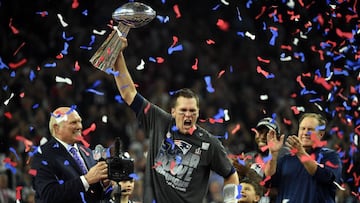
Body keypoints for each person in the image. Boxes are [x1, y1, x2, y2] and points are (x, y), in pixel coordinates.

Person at [112, 37, 239, 203]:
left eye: (192, 111)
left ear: (198, 113)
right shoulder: (159, 121)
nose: (188, 115)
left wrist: (230, 201)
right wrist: (118, 55)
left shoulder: (210, 143)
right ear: (173, 111)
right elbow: (128, 93)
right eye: (183, 111)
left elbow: (230, 175)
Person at [30, 106, 111, 203]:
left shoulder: (87, 152)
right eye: (73, 123)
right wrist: (86, 180)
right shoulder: (43, 155)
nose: (79, 126)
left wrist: (105, 185)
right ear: (57, 128)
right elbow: (49, 194)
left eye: (79, 121)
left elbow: (94, 194)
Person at [264, 112, 343, 203]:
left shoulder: (330, 156)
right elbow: (268, 182)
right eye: (302, 128)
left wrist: (301, 153)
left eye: (310, 129)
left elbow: (326, 177)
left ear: (321, 134)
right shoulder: (286, 159)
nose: (305, 132)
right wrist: (273, 154)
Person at [245, 117, 282, 203]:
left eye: (268, 133)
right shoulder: (248, 159)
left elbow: (278, 190)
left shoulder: (283, 159)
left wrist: (248, 173)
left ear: (277, 138)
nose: (262, 137)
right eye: (260, 132)